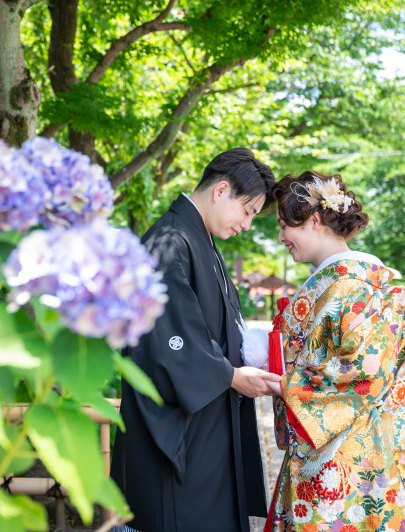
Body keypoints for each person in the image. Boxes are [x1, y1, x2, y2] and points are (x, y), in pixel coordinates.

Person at [111, 148, 283, 532]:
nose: (247, 224)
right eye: (248, 211)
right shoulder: (169, 242)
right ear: (221, 190)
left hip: (207, 422)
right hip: (179, 430)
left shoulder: (198, 240)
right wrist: (232, 376)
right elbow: (169, 338)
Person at [265, 171, 405, 532]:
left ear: (313, 220)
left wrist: (283, 384)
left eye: (284, 227)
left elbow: (361, 370)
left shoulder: (346, 284)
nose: (280, 238)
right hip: (357, 442)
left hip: (345, 452)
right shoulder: (356, 280)